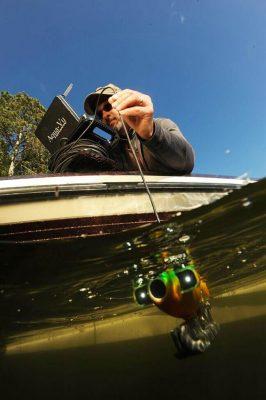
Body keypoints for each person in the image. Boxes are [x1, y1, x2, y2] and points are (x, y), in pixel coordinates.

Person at [84, 83, 195, 174]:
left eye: (107, 106)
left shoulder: (161, 124)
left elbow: (186, 162)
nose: (104, 115)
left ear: (124, 102)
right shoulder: (112, 151)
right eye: (99, 115)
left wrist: (151, 134)